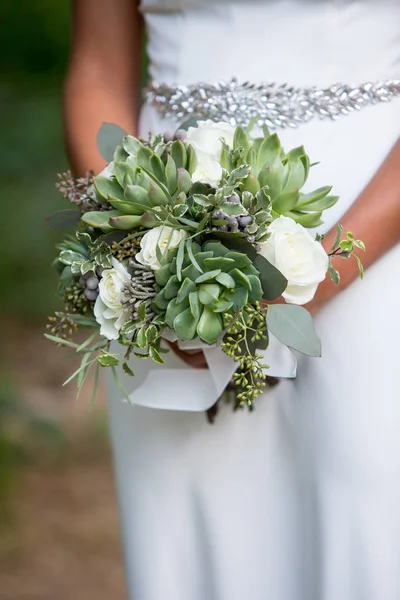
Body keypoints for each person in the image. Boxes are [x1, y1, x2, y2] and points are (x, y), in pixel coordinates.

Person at [64, 1, 400, 598]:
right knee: (195, 520)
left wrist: (312, 281)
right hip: (163, 220)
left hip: (369, 234)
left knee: (364, 519)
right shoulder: (151, 254)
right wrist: (142, 255)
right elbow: (97, 69)